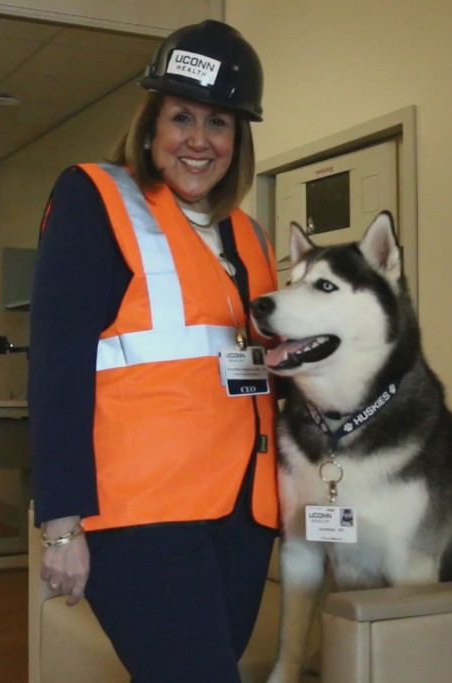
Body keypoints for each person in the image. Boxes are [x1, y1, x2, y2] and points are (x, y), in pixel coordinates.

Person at [29, 20, 280, 682]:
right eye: (182, 117)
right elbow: (57, 368)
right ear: (150, 126)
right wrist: (60, 524)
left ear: (238, 138)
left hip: (243, 516)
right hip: (142, 519)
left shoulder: (249, 236)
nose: (200, 139)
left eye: (220, 122)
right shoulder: (97, 198)